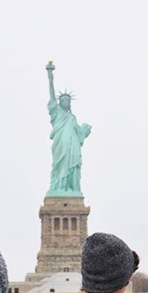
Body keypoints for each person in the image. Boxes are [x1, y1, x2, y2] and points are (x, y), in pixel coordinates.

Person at [45, 61, 91, 196]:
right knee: (60, 164)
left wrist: (84, 131)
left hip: (73, 145)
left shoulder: (72, 118)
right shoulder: (57, 112)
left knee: (72, 163)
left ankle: (70, 188)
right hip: (61, 143)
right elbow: (52, 95)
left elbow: (79, 134)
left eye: (68, 100)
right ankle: (59, 187)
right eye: (63, 100)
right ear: (60, 102)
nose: (66, 102)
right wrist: (50, 76)